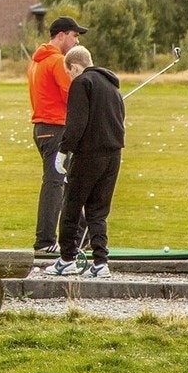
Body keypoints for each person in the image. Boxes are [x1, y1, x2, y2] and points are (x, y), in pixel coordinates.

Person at [46, 45, 126, 279]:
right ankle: (101, 262)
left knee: (71, 205)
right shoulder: (112, 85)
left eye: (69, 73)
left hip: (89, 155)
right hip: (113, 155)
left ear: (74, 67)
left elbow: (76, 123)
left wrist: (63, 151)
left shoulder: (81, 83)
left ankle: (66, 259)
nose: (70, 77)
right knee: (98, 211)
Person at [27, 14, 87, 254]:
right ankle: (44, 241)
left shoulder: (37, 60)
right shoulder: (56, 61)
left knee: (67, 181)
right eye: (74, 36)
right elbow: (73, 94)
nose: (77, 42)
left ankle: (82, 234)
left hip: (43, 129)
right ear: (61, 35)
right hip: (55, 129)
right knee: (55, 183)